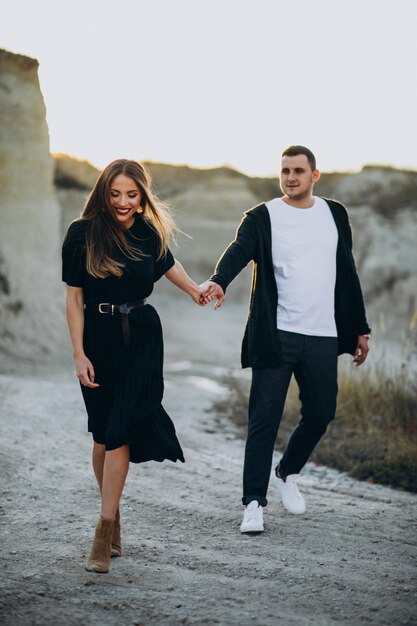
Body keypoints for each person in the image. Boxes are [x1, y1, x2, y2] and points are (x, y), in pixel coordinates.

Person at [201, 146, 370, 533]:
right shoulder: (263, 217)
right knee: (264, 420)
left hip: (324, 334)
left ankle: (287, 471)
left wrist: (360, 328)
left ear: (315, 175)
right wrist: (219, 280)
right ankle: (253, 505)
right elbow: (239, 251)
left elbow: (348, 271)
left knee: (321, 413)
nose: (290, 177)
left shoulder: (335, 215)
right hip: (277, 334)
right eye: (285, 171)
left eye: (298, 171)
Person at [62, 159, 206, 572]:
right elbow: (74, 298)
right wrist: (78, 353)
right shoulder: (81, 233)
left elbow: (167, 265)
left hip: (142, 336)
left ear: (142, 195)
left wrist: (196, 290)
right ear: (103, 193)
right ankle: (114, 511)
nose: (123, 202)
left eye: (132, 194)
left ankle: (103, 533)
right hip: (98, 339)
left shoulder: (148, 232)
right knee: (104, 436)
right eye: (115, 193)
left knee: (121, 430)